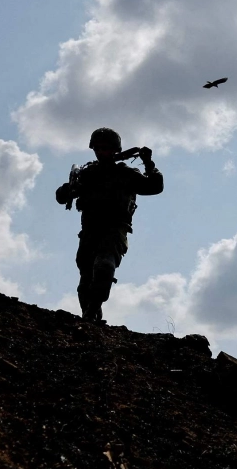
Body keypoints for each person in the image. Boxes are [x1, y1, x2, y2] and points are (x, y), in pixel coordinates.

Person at [55, 128, 163, 323]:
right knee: (86, 282)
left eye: (106, 148)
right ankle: (91, 318)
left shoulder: (125, 173)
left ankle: (92, 312)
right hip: (89, 232)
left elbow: (154, 187)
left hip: (115, 229)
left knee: (104, 267)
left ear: (115, 149)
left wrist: (149, 163)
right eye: (98, 148)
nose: (101, 152)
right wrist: (71, 187)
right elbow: (61, 197)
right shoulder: (88, 174)